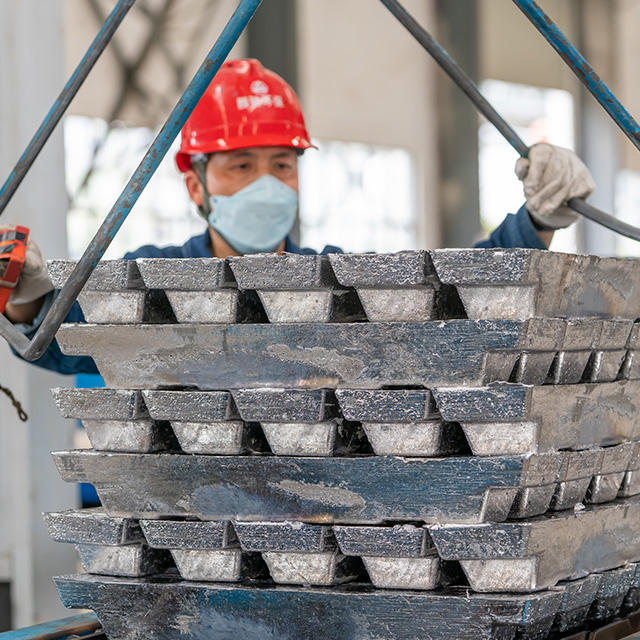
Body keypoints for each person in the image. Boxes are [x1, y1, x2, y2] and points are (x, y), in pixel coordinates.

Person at [4, 58, 595, 377]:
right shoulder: (151, 281)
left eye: (282, 164)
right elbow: (67, 342)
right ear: (196, 184)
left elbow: (450, 298)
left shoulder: (340, 283)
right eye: (241, 165)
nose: (266, 183)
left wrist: (535, 222)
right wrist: (29, 299)